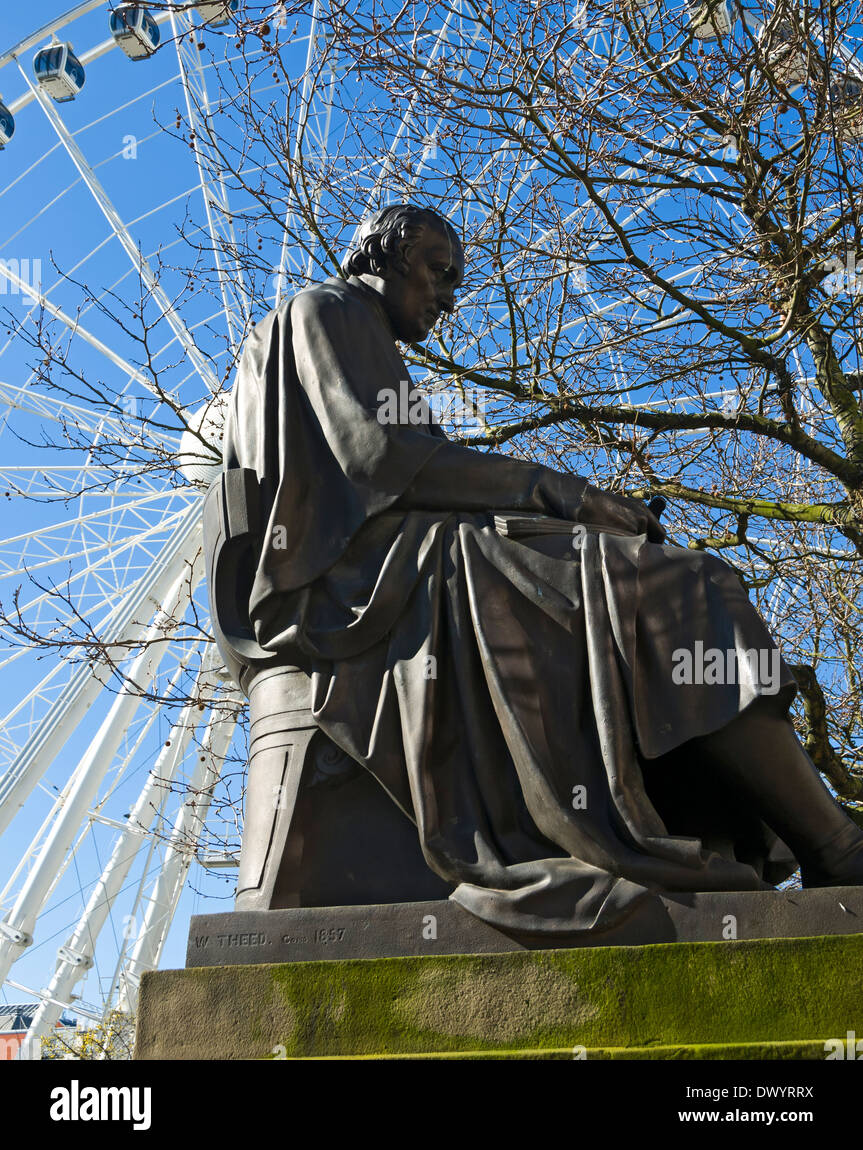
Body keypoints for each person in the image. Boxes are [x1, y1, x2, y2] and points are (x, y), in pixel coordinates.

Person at [216, 201, 863, 939]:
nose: (449, 296)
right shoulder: (327, 310)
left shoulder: (346, 332)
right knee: (684, 588)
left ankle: (788, 837)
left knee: (659, 587)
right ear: (377, 256)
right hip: (366, 583)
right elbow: (379, 460)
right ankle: (830, 845)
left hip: (411, 562)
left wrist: (555, 514)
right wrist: (566, 493)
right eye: (436, 271)